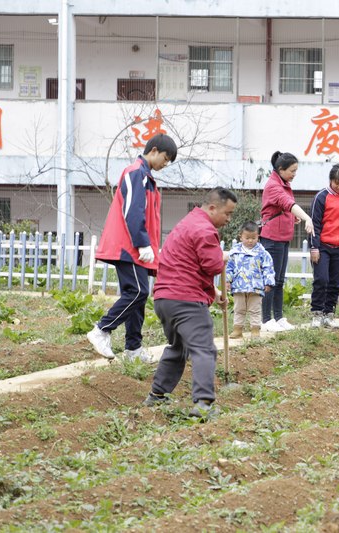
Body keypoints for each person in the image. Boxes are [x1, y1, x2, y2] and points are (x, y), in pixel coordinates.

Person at [143, 188, 238, 418]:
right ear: (213, 207)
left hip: (165, 298)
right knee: (203, 349)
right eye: (227, 213)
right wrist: (222, 256)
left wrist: (213, 291)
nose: (228, 219)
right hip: (186, 300)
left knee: (179, 348)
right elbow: (213, 266)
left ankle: (157, 396)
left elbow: (187, 266)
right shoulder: (205, 230)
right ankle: (203, 403)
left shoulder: (187, 223)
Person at [88, 133, 178, 362]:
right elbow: (132, 212)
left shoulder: (147, 177)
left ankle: (133, 349)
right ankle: (101, 330)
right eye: (165, 158)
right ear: (154, 150)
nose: (165, 164)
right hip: (127, 246)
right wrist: (142, 244)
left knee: (137, 298)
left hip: (136, 248)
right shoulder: (135, 173)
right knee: (138, 292)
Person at [260, 150, 314, 333]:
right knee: (271, 279)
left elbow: (284, 208)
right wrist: (307, 218)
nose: (294, 174)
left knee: (280, 280)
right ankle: (266, 319)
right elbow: (288, 204)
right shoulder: (274, 186)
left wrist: (293, 218)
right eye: (292, 171)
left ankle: (279, 317)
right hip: (272, 239)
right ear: (281, 169)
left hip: (282, 238)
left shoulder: (283, 183)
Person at [309, 164, 339, 328]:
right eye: (337, 183)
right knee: (322, 280)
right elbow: (314, 224)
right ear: (331, 181)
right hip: (323, 245)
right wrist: (314, 248)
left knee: (336, 282)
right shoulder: (321, 197)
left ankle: (329, 314)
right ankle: (316, 313)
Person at [226, 221, 275, 339]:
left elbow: (268, 267)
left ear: (258, 237)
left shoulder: (263, 253)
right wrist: (227, 281)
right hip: (239, 286)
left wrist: (268, 282)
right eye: (247, 238)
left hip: (256, 287)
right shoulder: (234, 252)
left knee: (255, 309)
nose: (250, 241)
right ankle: (237, 329)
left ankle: (255, 330)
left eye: (253, 238)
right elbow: (229, 267)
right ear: (241, 236)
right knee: (239, 309)